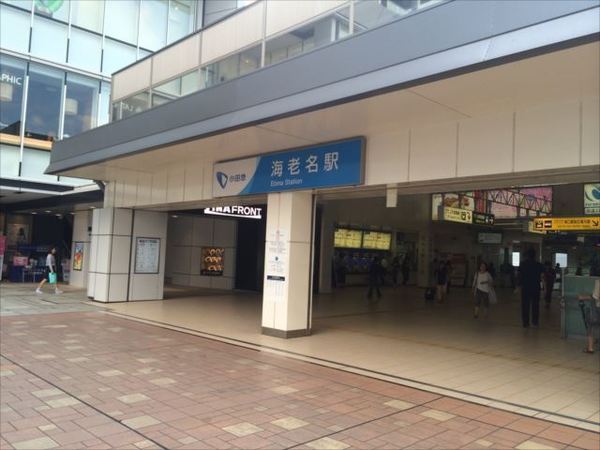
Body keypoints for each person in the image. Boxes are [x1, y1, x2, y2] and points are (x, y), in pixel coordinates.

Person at [518, 248, 544, 328]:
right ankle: (535, 322)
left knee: (525, 305)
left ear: (527, 255)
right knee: (535, 305)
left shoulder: (522, 264)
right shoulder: (539, 265)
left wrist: (518, 286)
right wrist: (544, 287)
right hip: (535, 287)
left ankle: (525, 322)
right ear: (535, 255)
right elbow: (542, 276)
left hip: (525, 288)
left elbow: (519, 276)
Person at [579, 280, 600, 354]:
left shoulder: (599, 281)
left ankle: (590, 348)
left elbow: (595, 296)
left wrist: (583, 297)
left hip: (598, 308)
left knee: (591, 325)